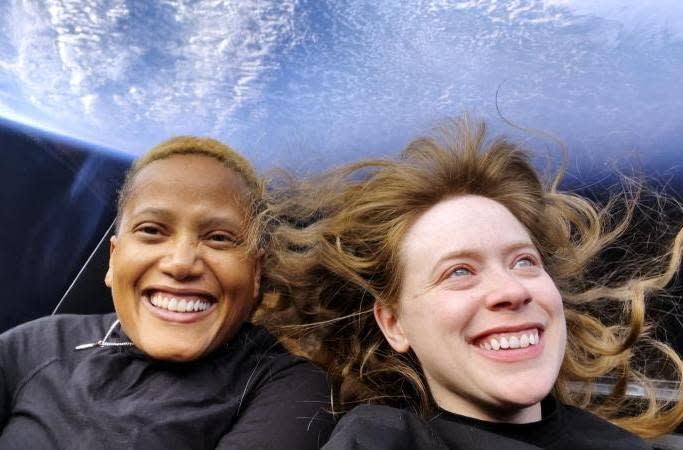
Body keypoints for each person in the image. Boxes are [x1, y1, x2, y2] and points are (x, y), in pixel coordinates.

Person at [265, 117, 683, 449]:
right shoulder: (379, 440)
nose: (512, 291)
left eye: (524, 261)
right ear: (395, 324)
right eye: (459, 271)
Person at [0, 137, 333, 449]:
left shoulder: (286, 388)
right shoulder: (37, 345)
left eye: (219, 237)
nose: (181, 263)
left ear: (256, 273)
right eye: (152, 231)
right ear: (114, 259)